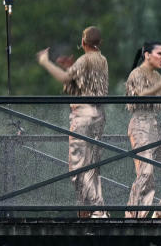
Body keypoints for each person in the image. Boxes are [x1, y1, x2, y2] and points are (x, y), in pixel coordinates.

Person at [37, 26, 109, 218]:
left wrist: (45, 62)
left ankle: (97, 211)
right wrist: (71, 67)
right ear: (99, 43)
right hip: (98, 114)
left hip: (83, 115)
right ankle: (90, 211)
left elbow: (65, 78)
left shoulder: (85, 59)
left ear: (83, 43)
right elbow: (86, 83)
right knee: (92, 164)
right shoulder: (102, 60)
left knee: (78, 167)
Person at [124, 41, 161, 218]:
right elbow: (141, 95)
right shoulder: (136, 73)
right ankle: (134, 217)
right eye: (159, 53)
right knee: (146, 172)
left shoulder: (157, 76)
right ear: (147, 55)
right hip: (140, 126)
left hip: (155, 128)